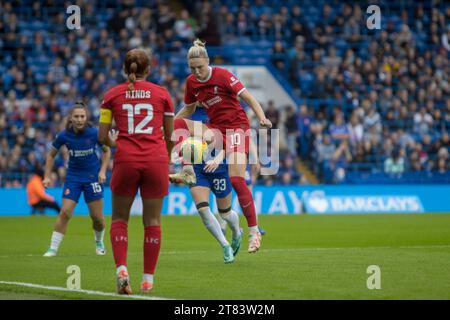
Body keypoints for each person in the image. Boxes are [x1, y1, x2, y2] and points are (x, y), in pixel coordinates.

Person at [174, 39, 272, 253]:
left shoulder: (223, 75)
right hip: (216, 130)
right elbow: (189, 109)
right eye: (192, 68)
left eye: (200, 67)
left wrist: (262, 118)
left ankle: (254, 231)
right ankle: (186, 168)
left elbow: (249, 98)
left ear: (208, 61)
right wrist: (167, 122)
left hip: (237, 128)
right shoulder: (191, 82)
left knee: (237, 180)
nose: (197, 72)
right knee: (176, 124)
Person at [98, 48, 175, 295]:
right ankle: (147, 280)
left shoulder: (111, 96)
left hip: (126, 161)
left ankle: (122, 269)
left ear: (125, 69)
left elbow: (102, 137)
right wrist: (167, 158)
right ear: (149, 70)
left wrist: (117, 142)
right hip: (156, 160)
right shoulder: (162, 95)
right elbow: (171, 137)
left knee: (120, 219)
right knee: (152, 221)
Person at [171, 107, 243, 264]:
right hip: (197, 167)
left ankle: (237, 232)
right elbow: (174, 129)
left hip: (219, 166)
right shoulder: (189, 110)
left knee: (225, 213)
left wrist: (217, 159)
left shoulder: (223, 109)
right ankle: (225, 246)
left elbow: (230, 141)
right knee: (203, 210)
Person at [42, 102, 110, 257]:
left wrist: (102, 170)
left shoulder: (94, 133)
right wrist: (46, 176)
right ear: (70, 118)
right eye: (76, 116)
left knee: (97, 218)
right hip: (73, 177)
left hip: (93, 178)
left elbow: (106, 152)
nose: (80, 119)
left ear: (86, 118)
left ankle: (99, 242)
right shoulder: (64, 135)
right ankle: (53, 248)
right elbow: (51, 155)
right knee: (65, 212)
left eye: (82, 116)